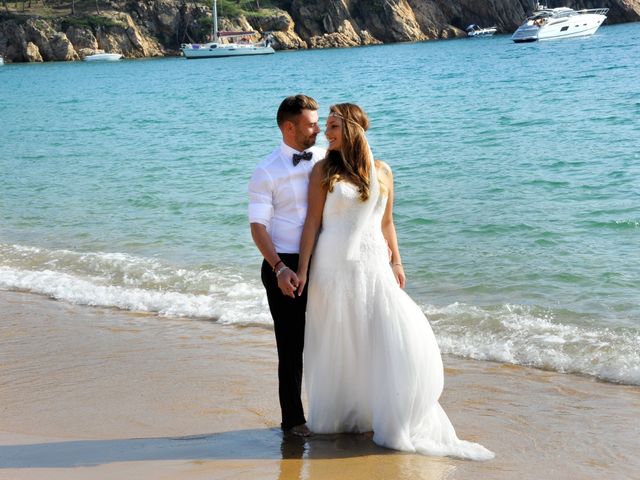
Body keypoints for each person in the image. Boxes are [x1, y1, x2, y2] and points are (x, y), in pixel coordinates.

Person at [295, 103, 494, 460]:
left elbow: (387, 223)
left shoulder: (383, 171)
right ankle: (342, 416)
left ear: (353, 128)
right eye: (326, 126)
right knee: (339, 338)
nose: (328, 133)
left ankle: (376, 413)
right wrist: (304, 270)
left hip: (374, 264)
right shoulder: (323, 170)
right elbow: (312, 222)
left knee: (380, 334)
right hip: (333, 263)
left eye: (334, 125)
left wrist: (397, 261)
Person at [248, 94, 325, 437]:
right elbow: (258, 227)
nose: (318, 129)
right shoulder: (266, 171)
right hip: (285, 266)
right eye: (311, 124)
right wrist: (279, 268)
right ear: (289, 127)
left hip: (326, 259)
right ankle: (293, 420)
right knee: (291, 346)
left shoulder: (325, 157)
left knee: (335, 336)